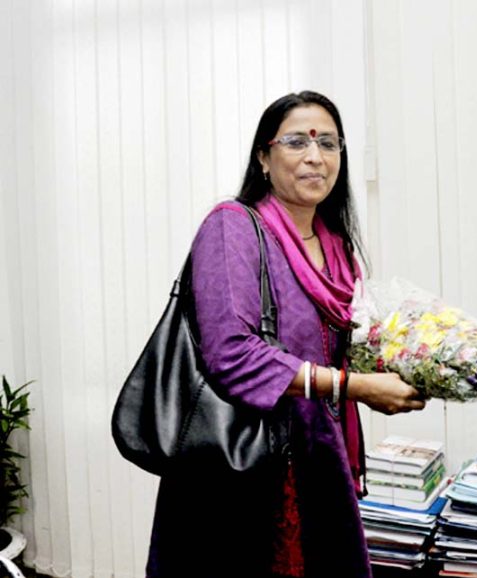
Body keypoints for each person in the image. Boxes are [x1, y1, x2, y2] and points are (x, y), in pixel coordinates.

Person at [145, 90, 427, 577]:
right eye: (297, 141)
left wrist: (445, 363)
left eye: (330, 143)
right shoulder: (232, 227)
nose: (316, 157)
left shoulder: (338, 246)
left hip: (318, 460)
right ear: (263, 156)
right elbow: (232, 355)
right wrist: (353, 387)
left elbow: (348, 351)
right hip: (242, 467)